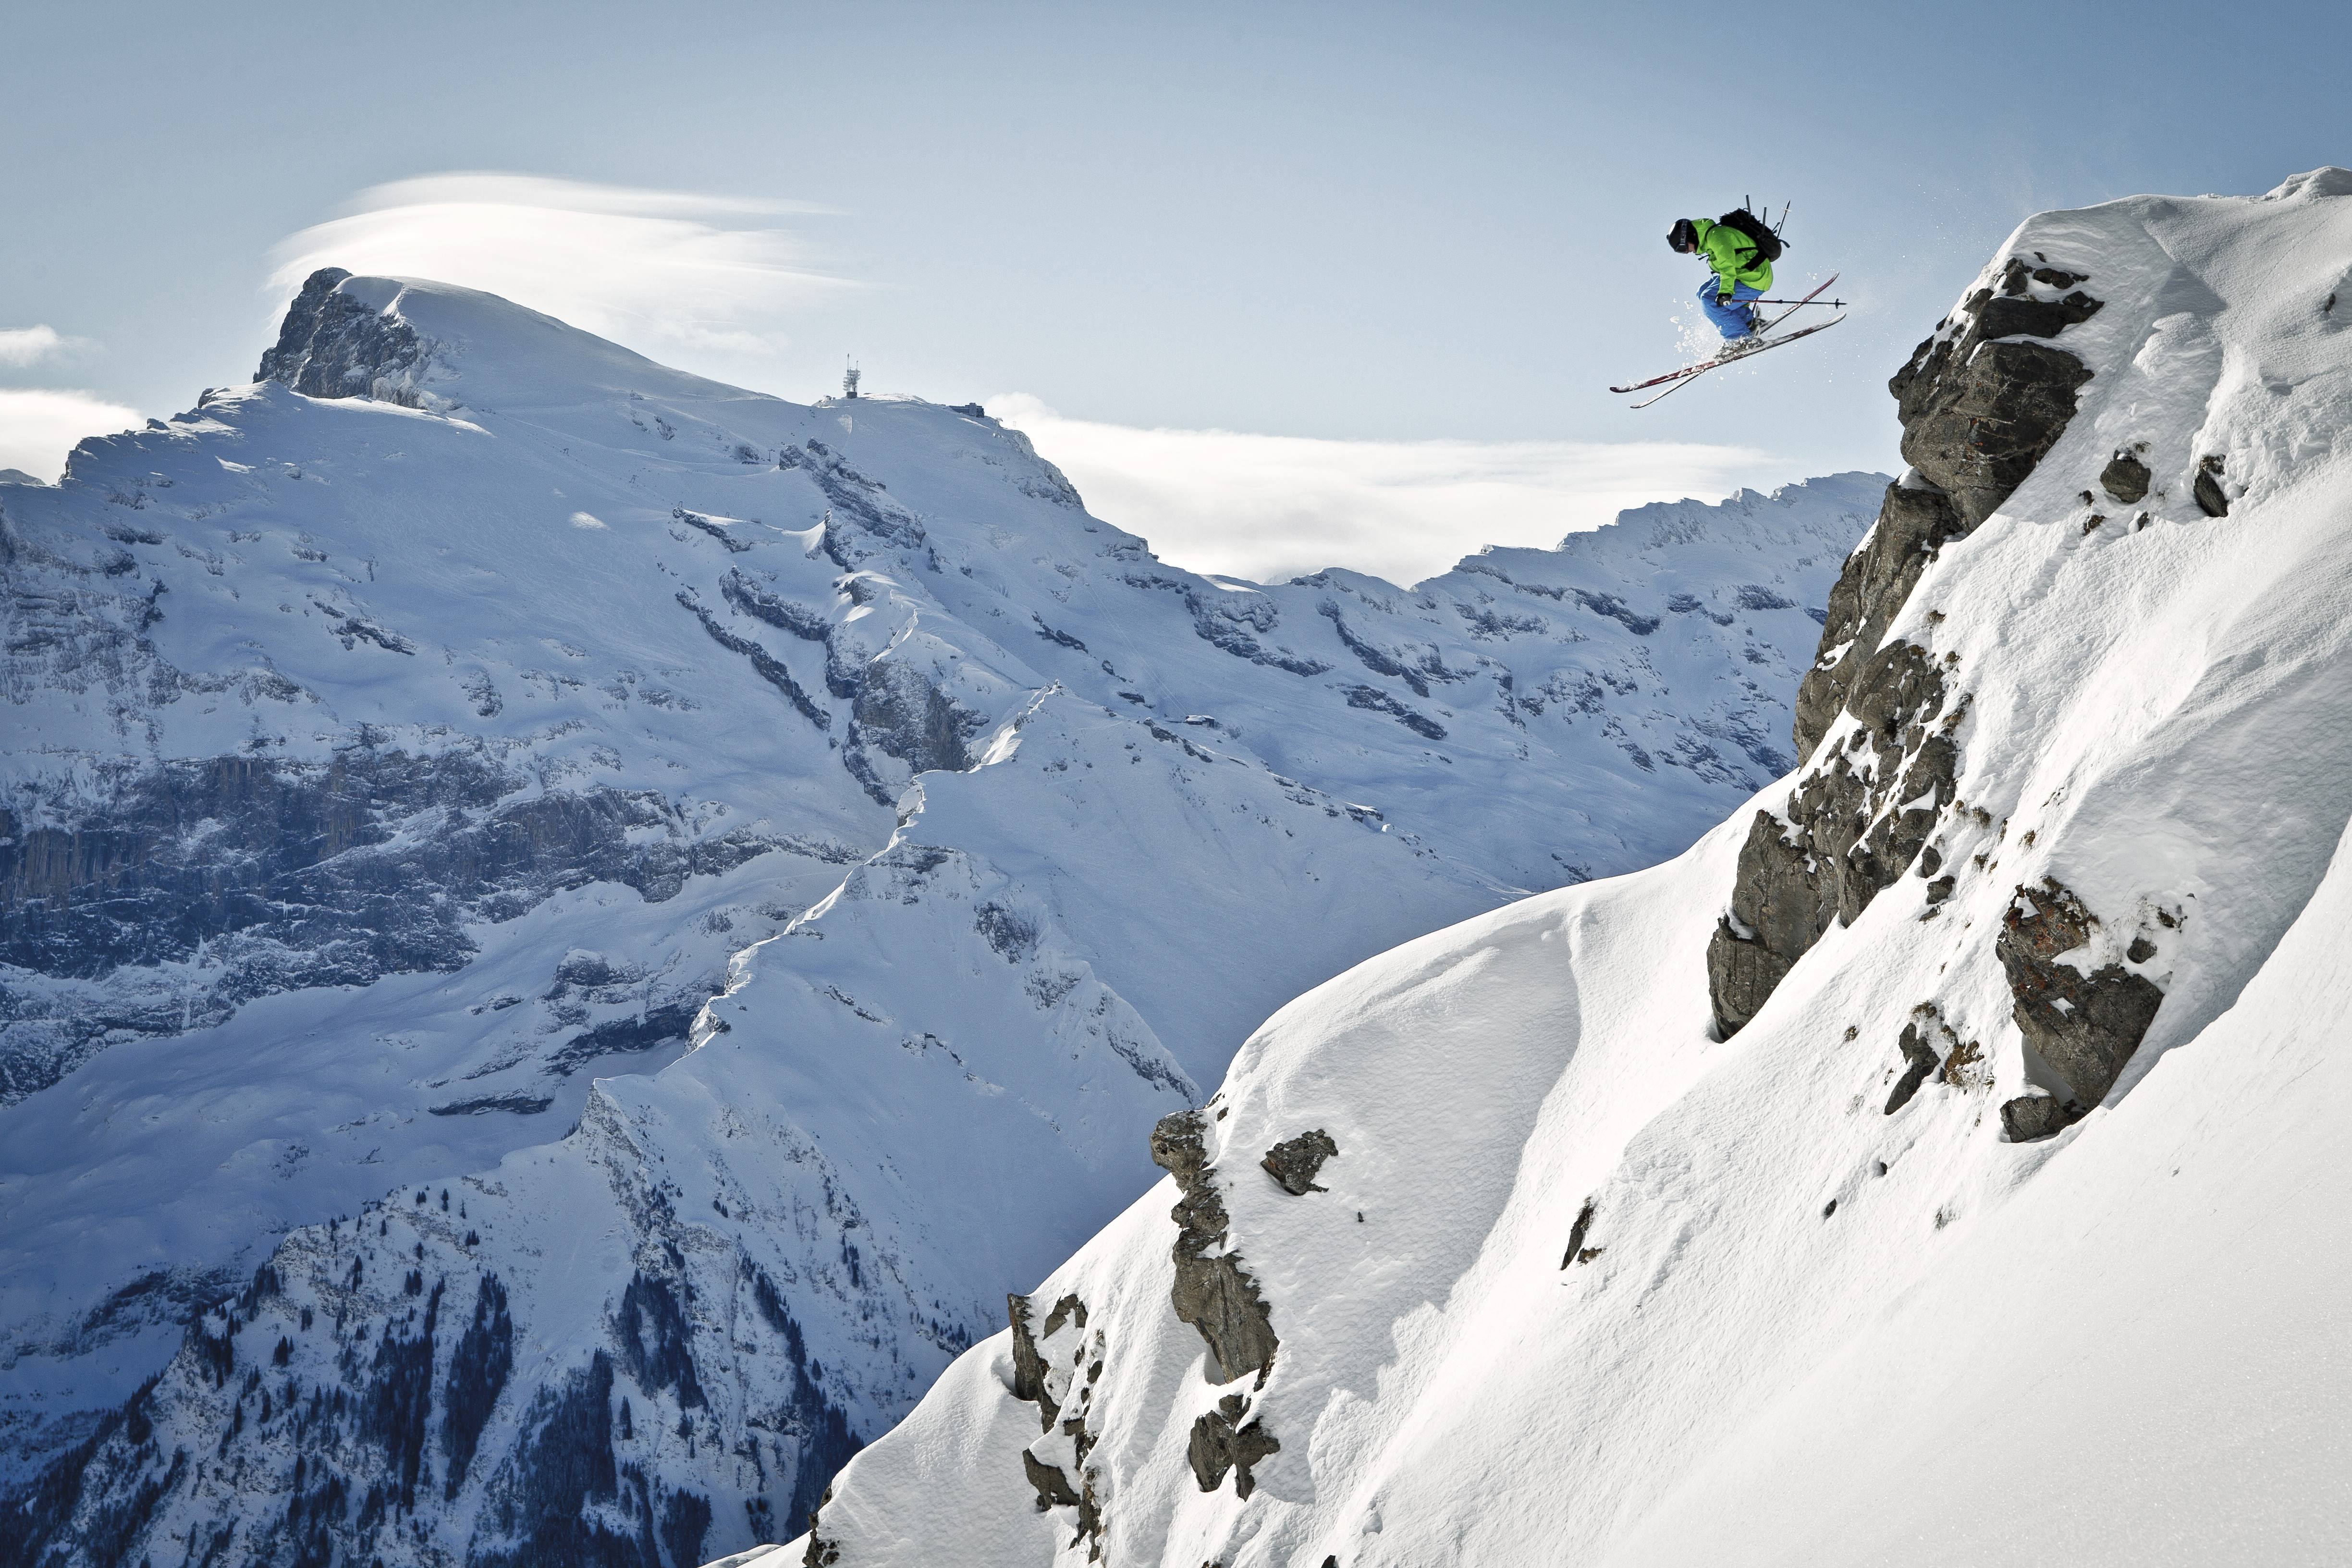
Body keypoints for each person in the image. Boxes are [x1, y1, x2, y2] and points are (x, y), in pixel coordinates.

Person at [1668, 217, 1773, 345]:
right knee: (1702, 292)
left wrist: (1725, 292)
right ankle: (1747, 322)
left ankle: (1740, 340)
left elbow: (1727, 265)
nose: (1687, 252)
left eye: (1683, 248)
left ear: (1690, 236)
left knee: (1710, 301)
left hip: (1755, 277)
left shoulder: (1716, 237)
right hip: (1744, 274)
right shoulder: (1710, 238)